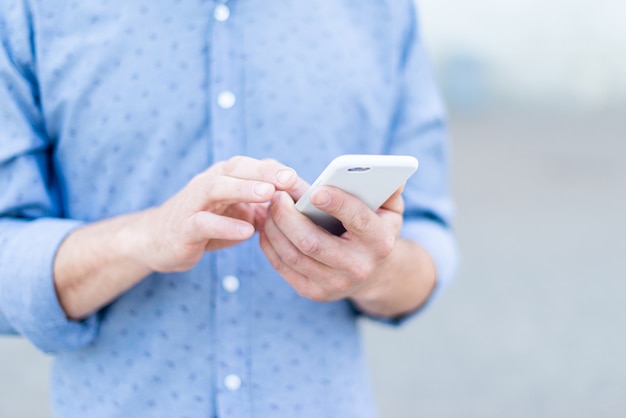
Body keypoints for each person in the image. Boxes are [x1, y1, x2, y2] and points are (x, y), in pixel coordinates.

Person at [0, 1, 458, 417]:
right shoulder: (32, 12)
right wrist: (144, 238)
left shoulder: (383, 11)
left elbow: (428, 240)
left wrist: (374, 269)